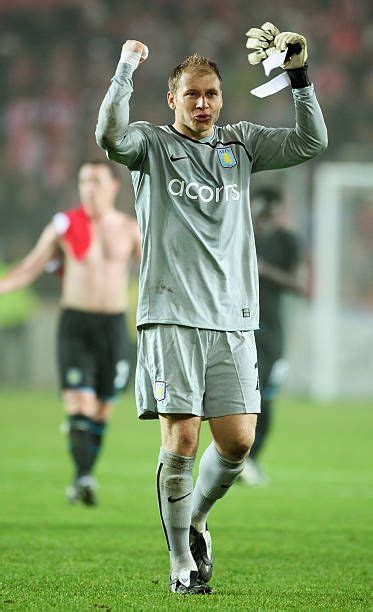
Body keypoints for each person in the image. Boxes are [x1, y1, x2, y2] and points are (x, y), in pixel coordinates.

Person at [95, 21, 327, 594]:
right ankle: (180, 565)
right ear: (172, 99)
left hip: (234, 319)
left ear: (222, 100)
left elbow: (310, 141)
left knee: (238, 443)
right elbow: (108, 135)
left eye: (212, 94)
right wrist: (125, 69)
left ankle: (195, 518)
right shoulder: (151, 145)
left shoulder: (240, 145)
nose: (203, 103)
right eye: (192, 94)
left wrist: (299, 79)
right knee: (181, 441)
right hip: (171, 315)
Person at [0, 159, 141, 505]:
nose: (88, 188)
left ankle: (82, 479)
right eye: (83, 181)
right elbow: (30, 267)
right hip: (75, 325)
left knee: (102, 409)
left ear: (113, 187)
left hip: (113, 328)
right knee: (79, 404)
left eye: (95, 181)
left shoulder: (129, 228)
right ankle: (84, 478)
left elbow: (155, 271)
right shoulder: (64, 225)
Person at [240, 186, 303, 486]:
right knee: (239, 396)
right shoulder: (238, 233)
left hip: (272, 329)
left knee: (266, 396)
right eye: (259, 210)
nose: (263, 218)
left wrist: (263, 270)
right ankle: (235, 457)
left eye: (269, 212)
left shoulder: (287, 241)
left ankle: (250, 459)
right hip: (238, 325)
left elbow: (299, 284)